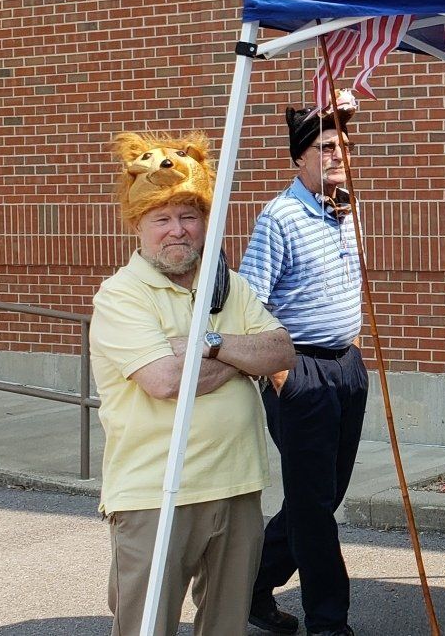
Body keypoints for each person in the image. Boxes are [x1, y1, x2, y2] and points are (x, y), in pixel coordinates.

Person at [90, 131, 295, 636]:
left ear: (206, 221)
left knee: (226, 626)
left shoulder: (226, 284)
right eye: (161, 218)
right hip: (154, 494)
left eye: (189, 216)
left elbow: (282, 350)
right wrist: (241, 355)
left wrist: (206, 342)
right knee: (148, 627)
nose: (177, 231)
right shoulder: (122, 296)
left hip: (238, 484)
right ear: (137, 225)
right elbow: (163, 380)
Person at [241, 95, 370, 636]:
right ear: (299, 157)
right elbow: (249, 302)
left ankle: (249, 585)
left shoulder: (345, 207)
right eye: (324, 147)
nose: (336, 155)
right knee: (315, 509)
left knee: (319, 496)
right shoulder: (280, 216)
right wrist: (281, 374)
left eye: (342, 146)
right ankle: (328, 623)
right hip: (303, 373)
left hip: (347, 368)